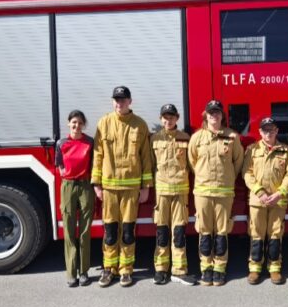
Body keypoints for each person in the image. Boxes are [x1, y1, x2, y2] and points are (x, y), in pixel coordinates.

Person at [91, 86, 153, 287]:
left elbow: (145, 157)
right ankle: (108, 269)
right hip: (108, 188)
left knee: (127, 231)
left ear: (130, 102)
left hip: (131, 189)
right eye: (117, 100)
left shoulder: (140, 125)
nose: (120, 103)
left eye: (123, 100)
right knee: (110, 231)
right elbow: (98, 155)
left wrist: (146, 186)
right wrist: (96, 183)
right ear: (113, 102)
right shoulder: (104, 123)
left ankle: (126, 270)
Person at [189, 100, 244, 286]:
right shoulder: (197, 138)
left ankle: (219, 269)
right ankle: (206, 269)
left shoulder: (232, 137)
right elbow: (192, 162)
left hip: (224, 192)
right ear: (206, 115)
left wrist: (227, 178)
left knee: (222, 232)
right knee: (204, 232)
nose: (214, 115)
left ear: (222, 115)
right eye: (211, 113)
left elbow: (238, 162)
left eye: (217, 112)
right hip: (203, 192)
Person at [243, 117, 288, 285]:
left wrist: (280, 193)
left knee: (275, 235)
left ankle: (274, 269)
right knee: (256, 235)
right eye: (265, 130)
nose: (268, 133)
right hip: (258, 200)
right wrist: (259, 192)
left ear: (277, 131)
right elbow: (247, 173)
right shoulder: (252, 150)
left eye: (272, 129)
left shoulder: (285, 151)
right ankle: (255, 269)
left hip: (278, 200)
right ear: (260, 132)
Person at [150, 104, 197, 286]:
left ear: (177, 118)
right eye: (165, 117)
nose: (168, 120)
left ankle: (179, 271)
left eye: (171, 117)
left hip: (180, 191)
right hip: (162, 191)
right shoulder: (154, 139)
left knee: (178, 232)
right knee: (162, 231)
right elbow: (151, 165)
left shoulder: (186, 138)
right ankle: (161, 270)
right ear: (161, 119)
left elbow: (193, 164)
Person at [55, 110, 95, 287]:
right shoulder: (61, 143)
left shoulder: (89, 142)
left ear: (83, 125)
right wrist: (65, 175)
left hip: (85, 185)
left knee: (85, 231)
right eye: (73, 122)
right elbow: (59, 164)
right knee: (70, 231)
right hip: (68, 186)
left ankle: (84, 272)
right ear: (68, 124)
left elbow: (94, 163)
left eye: (79, 123)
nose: (76, 126)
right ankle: (71, 273)